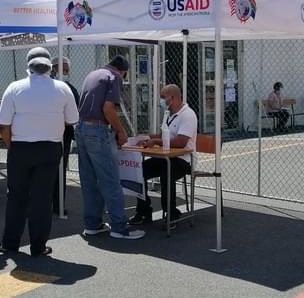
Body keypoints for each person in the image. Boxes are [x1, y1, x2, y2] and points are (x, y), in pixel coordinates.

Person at [0, 47, 79, 257]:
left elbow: (3, 125)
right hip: (50, 148)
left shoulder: (14, 87)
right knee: (42, 198)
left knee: (16, 196)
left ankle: (10, 243)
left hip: (20, 148)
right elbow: (72, 120)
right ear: (50, 66)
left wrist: (11, 146)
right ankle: (38, 246)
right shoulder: (63, 88)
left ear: (29, 66)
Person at [75, 55, 144, 240]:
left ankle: (92, 224)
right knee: (111, 180)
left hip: (81, 128)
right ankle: (119, 227)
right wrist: (120, 130)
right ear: (123, 71)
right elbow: (108, 108)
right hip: (98, 130)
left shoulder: (93, 74)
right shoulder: (114, 77)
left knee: (89, 180)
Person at [129, 84, 198, 227]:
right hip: (166, 158)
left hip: (183, 160)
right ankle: (144, 211)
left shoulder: (188, 115)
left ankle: (172, 214)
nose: (161, 101)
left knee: (167, 174)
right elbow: (163, 136)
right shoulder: (169, 114)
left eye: (162, 97)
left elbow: (181, 142)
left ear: (172, 98)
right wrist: (146, 137)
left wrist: (156, 142)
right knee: (138, 171)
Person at [51, 56, 80, 216]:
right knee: (58, 170)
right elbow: (74, 114)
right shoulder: (66, 88)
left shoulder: (38, 86)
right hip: (61, 134)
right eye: (66, 70)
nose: (67, 72)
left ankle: (54, 204)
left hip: (48, 134)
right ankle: (58, 204)